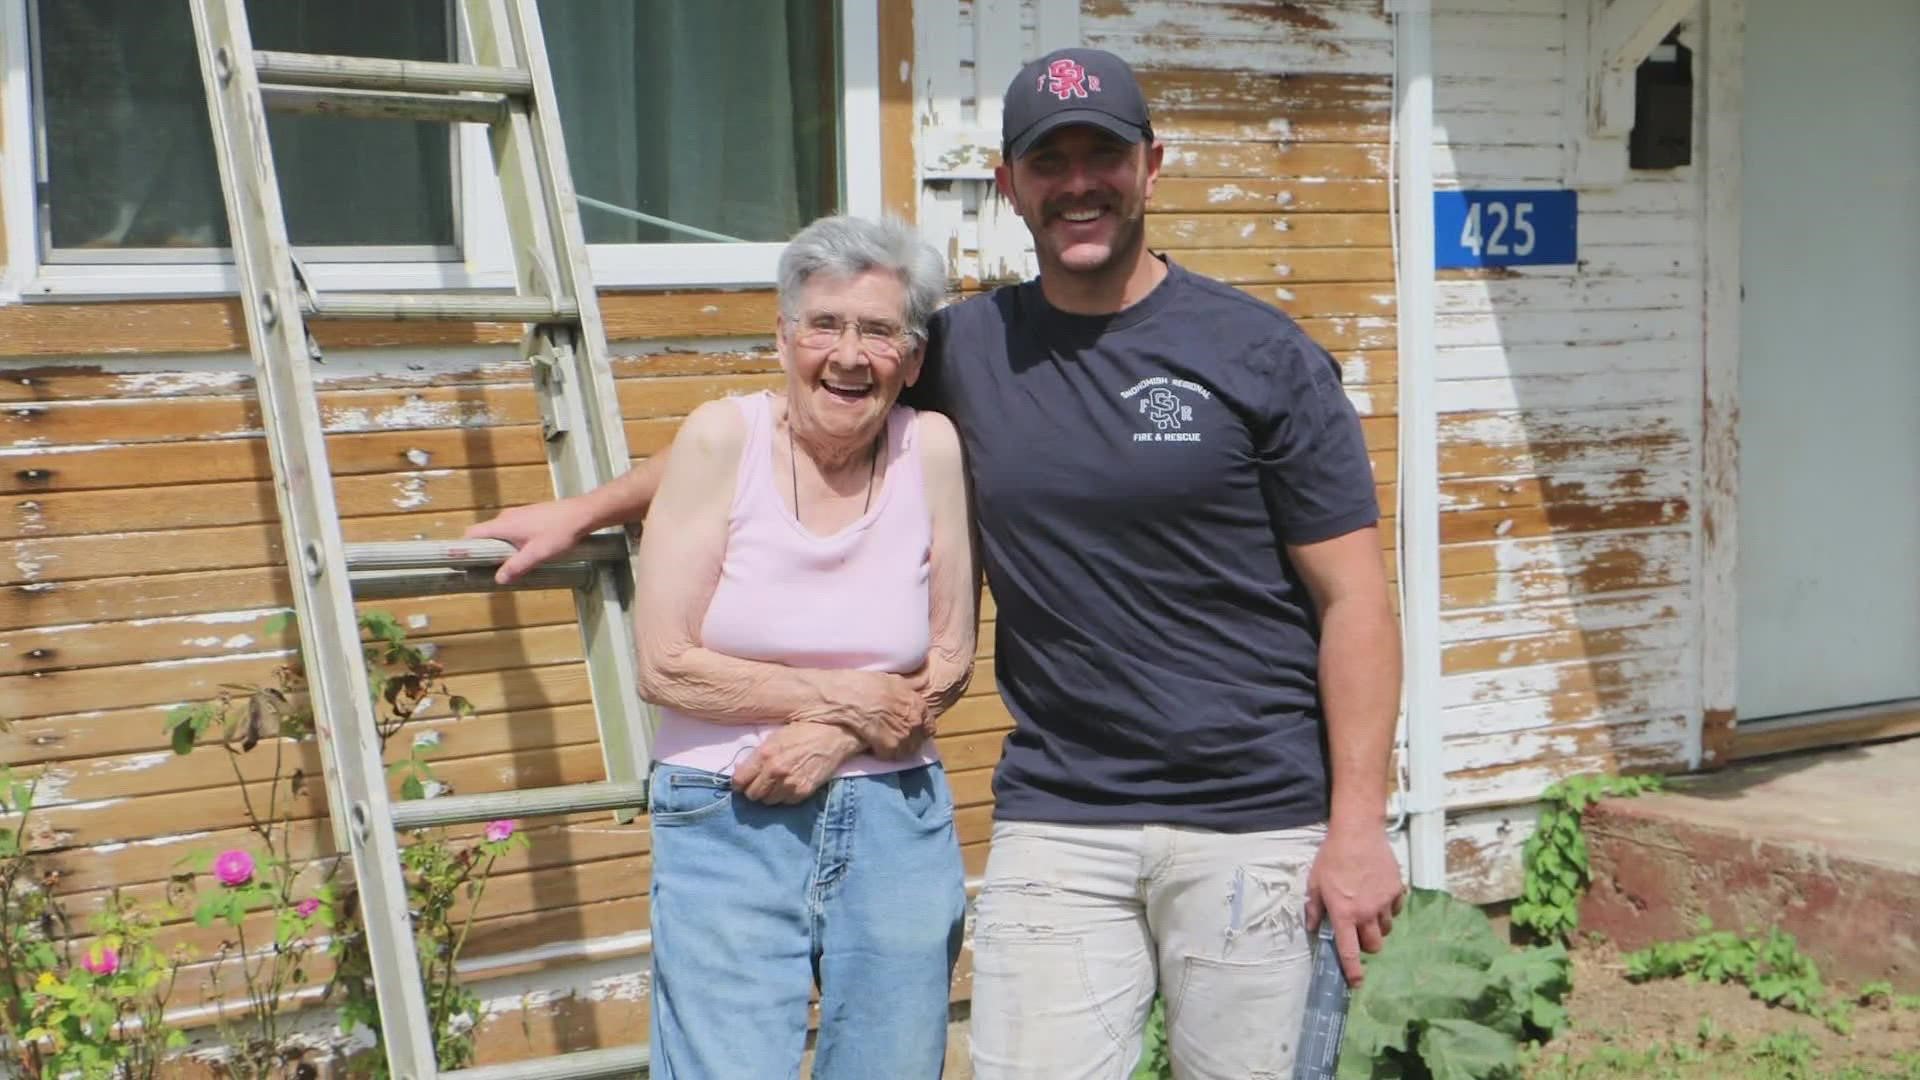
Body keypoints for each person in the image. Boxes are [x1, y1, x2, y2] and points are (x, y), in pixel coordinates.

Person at [469, 48, 1403, 1080]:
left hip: (1253, 820)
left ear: (1153, 165)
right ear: (1011, 183)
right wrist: (588, 508)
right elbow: (792, 424)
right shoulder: (966, 347)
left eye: (1106, 154)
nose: (1080, 182)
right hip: (1063, 817)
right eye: (1052, 161)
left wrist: (1356, 827)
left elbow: (1355, 598)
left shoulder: (1259, 355)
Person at [623, 215, 974, 1078]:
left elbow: (953, 653)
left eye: (880, 331)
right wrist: (849, 696)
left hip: (897, 819)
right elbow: (663, 664)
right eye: (825, 324)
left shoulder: (929, 447)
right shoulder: (721, 438)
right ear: (784, 339)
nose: (849, 354)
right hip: (728, 812)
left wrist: (840, 731)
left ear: (914, 359)